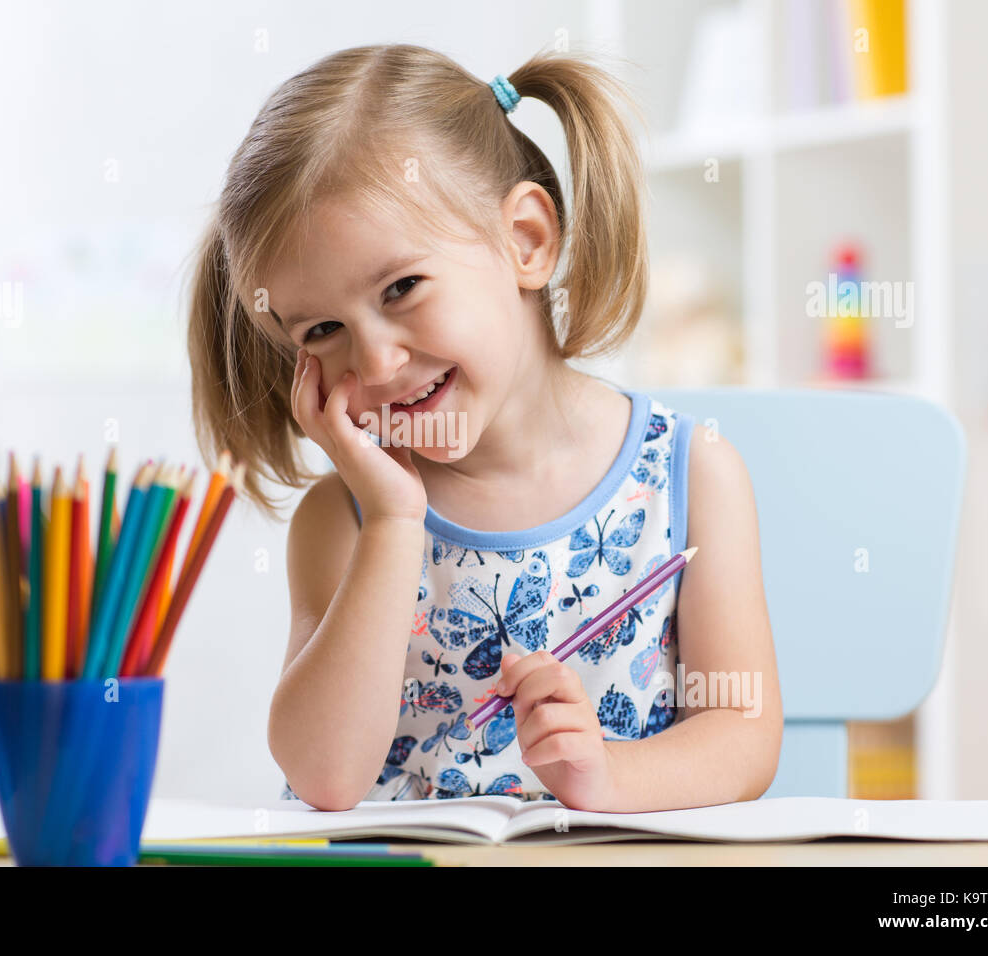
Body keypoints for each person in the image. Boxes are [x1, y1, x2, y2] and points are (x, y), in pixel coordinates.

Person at [185, 43, 782, 812]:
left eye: (401, 287)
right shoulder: (346, 520)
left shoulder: (692, 475)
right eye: (322, 330)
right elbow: (324, 778)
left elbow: (741, 731)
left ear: (526, 240)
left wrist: (607, 776)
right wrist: (396, 523)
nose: (375, 359)